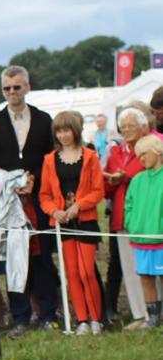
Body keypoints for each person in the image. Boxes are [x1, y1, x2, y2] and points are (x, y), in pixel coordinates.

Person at [0, 66, 57, 335]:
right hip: (9, 204)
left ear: (27, 87)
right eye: (7, 88)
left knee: (42, 259)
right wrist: (9, 184)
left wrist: (34, 179)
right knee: (15, 259)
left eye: (17, 87)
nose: (12, 92)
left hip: (39, 201)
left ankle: (48, 313)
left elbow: (51, 158)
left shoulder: (44, 120)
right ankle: (21, 317)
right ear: (3, 91)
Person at [39, 111, 105, 333]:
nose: (63, 135)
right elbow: (44, 195)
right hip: (63, 223)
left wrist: (79, 205)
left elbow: (98, 190)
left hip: (84, 220)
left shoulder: (90, 157)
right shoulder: (49, 160)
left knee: (87, 271)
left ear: (75, 131)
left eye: (67, 130)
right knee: (72, 273)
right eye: (59, 131)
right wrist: (54, 211)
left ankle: (97, 318)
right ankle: (82, 320)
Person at [105, 107, 153, 325]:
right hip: (122, 217)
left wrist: (125, 177)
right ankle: (139, 314)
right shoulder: (115, 153)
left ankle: (154, 312)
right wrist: (110, 181)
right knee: (129, 267)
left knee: (150, 267)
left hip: (147, 217)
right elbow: (105, 187)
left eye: (130, 126)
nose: (126, 130)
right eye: (122, 127)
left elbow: (151, 175)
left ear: (143, 127)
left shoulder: (150, 149)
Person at [123, 134, 163, 329]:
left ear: (158, 152)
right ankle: (153, 318)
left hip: (160, 238)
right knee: (146, 278)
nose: (141, 159)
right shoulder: (137, 180)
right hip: (141, 238)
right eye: (138, 156)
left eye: (144, 154)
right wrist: (132, 223)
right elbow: (128, 205)